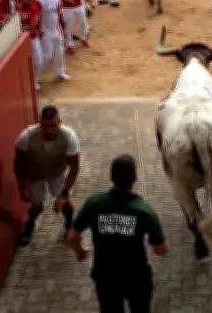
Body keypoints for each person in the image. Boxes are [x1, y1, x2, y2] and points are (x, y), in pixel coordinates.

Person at [68, 154, 168, 313]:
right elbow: (162, 249)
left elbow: (72, 236)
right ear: (134, 178)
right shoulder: (143, 211)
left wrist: (79, 252)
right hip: (136, 278)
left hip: (105, 276)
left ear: (111, 176)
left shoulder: (94, 203)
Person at [14, 105, 81, 246]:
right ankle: (30, 224)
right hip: (35, 174)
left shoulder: (69, 137)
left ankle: (70, 225)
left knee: (66, 203)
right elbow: (19, 164)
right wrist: (22, 186)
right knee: (37, 206)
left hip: (56, 172)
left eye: (53, 126)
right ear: (40, 123)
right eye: (45, 126)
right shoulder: (26, 137)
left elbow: (74, 168)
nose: (49, 131)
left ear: (60, 121)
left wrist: (64, 193)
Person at [36, 0, 71, 84]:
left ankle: (60, 73)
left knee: (59, 53)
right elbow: (36, 17)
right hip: (45, 32)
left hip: (56, 31)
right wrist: (38, 29)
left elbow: (60, 15)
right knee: (47, 56)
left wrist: (63, 29)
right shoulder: (39, 0)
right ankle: (36, 79)